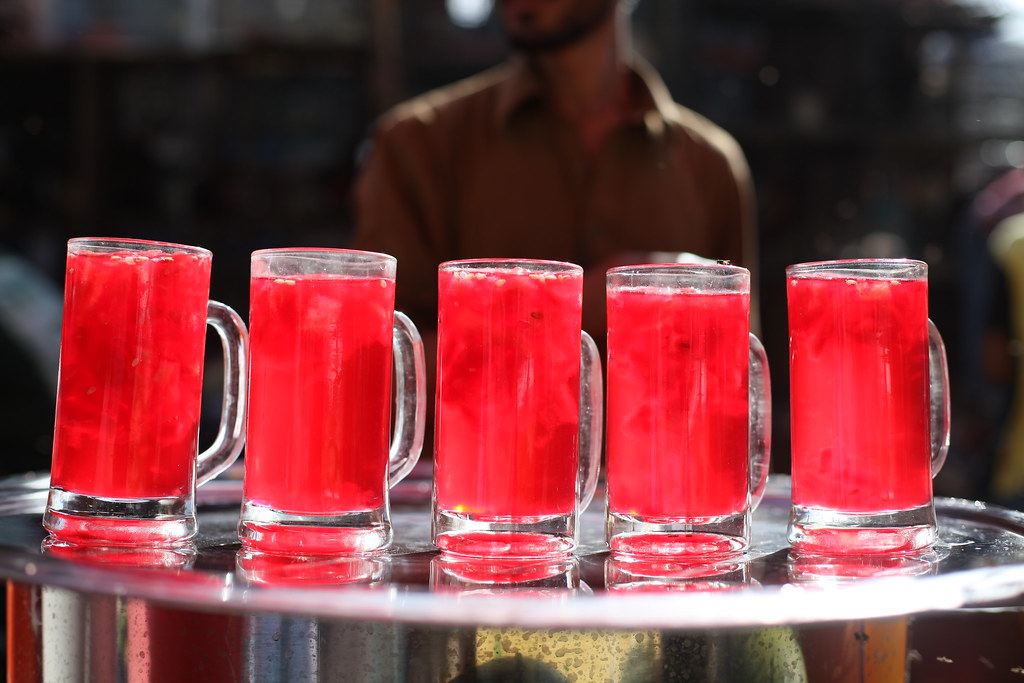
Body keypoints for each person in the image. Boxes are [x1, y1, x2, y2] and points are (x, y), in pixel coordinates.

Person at [350, 0, 758, 337]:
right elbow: (377, 364)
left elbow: (736, 370)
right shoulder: (417, 145)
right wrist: (567, 311)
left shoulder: (712, 166)